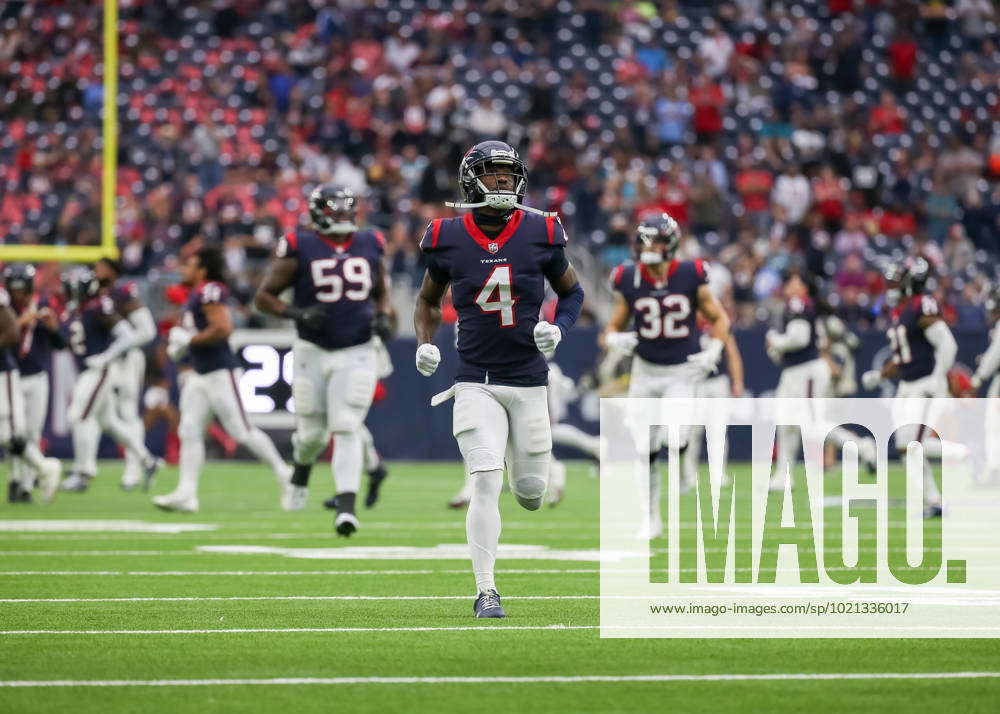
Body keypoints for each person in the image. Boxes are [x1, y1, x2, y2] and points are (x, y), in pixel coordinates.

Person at [413, 140, 584, 617]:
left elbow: (573, 293)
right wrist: (426, 342)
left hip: (530, 381)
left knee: (529, 495)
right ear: (471, 180)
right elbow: (428, 300)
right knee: (485, 478)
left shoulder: (542, 230)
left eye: (509, 175)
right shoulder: (446, 235)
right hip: (475, 381)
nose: (504, 183)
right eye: (494, 175)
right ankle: (486, 590)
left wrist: (559, 328)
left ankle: (516, 462)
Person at [255, 184, 397, 535]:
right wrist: (297, 313)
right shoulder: (299, 245)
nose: (342, 216)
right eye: (335, 209)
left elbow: (382, 295)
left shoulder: (369, 243)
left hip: (357, 347)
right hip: (312, 349)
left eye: (347, 208)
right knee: (311, 437)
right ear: (319, 211)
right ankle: (300, 473)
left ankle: (346, 508)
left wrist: (383, 317)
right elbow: (264, 297)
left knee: (347, 424)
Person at [602, 213, 732, 539]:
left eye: (655, 240)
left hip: (680, 371)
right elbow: (612, 326)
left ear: (670, 243)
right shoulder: (629, 277)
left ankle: (684, 455)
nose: (648, 247)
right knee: (644, 447)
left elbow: (719, 319)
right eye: (644, 239)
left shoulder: (690, 274)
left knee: (674, 438)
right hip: (645, 371)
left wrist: (714, 351)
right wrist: (615, 339)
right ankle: (650, 517)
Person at [156, 247, 293, 512]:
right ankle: (187, 492)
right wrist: (184, 345)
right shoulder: (195, 295)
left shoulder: (210, 290)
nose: (184, 270)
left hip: (220, 372)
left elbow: (223, 327)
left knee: (241, 431)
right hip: (200, 373)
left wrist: (190, 340)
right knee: (189, 430)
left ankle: (284, 474)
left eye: (190, 265)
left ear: (202, 270)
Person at [860, 258, 957, 518]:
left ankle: (965, 454)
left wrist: (938, 377)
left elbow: (948, 345)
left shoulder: (919, 305)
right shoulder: (900, 310)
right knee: (906, 445)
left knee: (913, 444)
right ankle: (934, 501)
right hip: (907, 385)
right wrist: (881, 375)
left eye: (894, 281)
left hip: (924, 383)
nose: (890, 286)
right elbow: (905, 356)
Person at [60, 268, 161, 492]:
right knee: (109, 422)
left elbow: (129, 334)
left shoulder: (100, 305)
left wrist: (106, 357)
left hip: (101, 369)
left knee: (78, 416)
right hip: (91, 369)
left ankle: (83, 471)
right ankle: (148, 460)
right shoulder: (76, 310)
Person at [765, 268, 832, 491]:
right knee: (785, 423)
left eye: (793, 279)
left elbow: (800, 339)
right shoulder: (803, 305)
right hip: (795, 370)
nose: (788, 284)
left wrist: (776, 341)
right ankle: (783, 475)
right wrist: (778, 348)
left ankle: (862, 447)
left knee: (811, 426)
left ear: (803, 285)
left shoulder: (799, 303)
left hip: (807, 370)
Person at [3, 264, 65, 502]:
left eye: (22, 289)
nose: (18, 294)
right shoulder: (5, 308)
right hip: (12, 376)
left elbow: (61, 344)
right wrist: (19, 322)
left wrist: (52, 327)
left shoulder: (43, 304)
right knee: (14, 431)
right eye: (14, 289)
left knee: (31, 432)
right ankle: (15, 477)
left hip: (37, 377)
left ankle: (27, 483)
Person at [94, 257, 157, 489]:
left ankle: (134, 470)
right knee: (102, 415)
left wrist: (114, 351)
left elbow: (147, 331)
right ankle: (85, 467)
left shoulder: (123, 293)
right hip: (109, 362)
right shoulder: (96, 295)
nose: (96, 272)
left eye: (100, 268)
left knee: (128, 412)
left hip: (126, 360)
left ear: (111, 271)